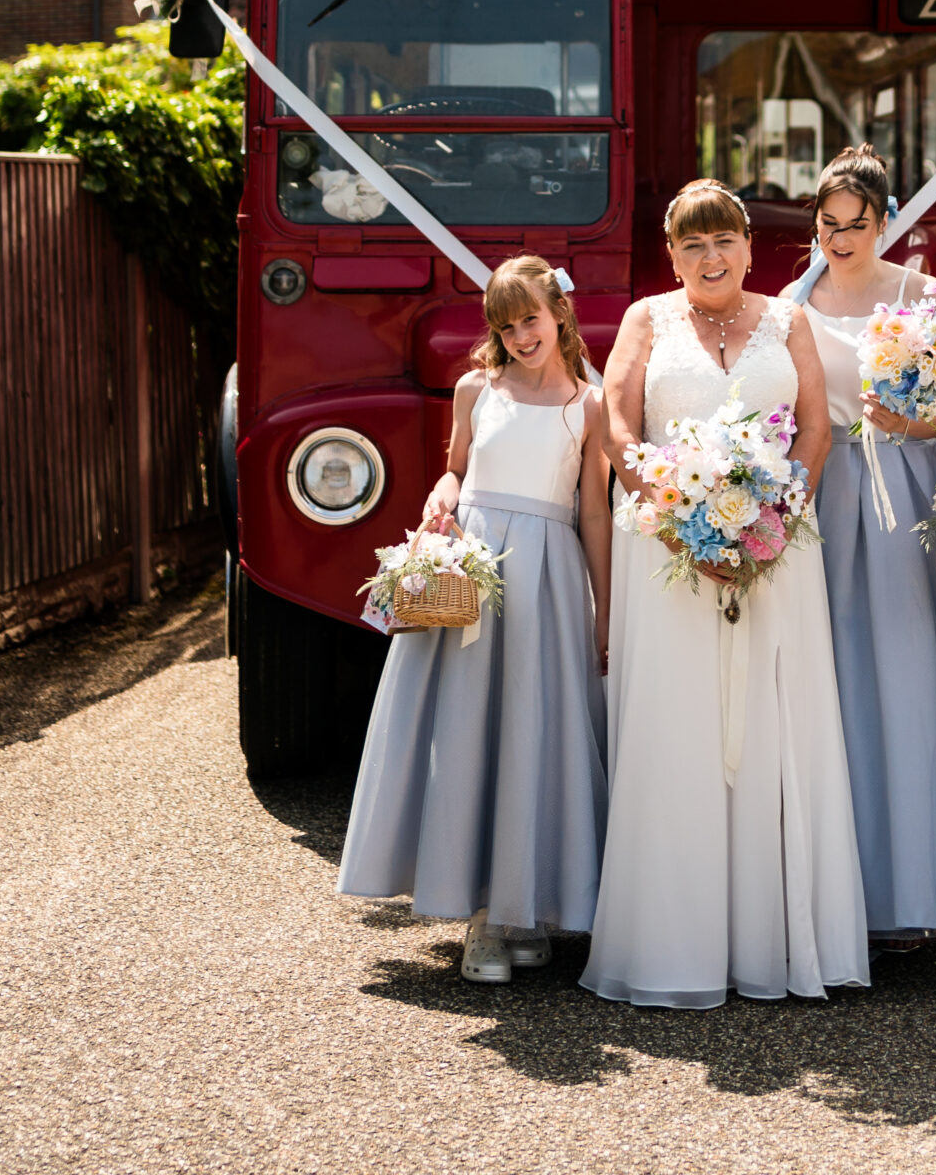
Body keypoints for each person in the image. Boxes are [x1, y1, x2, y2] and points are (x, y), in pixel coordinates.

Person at [581, 181, 869, 1008]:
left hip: (779, 550)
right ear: (670, 255)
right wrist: (676, 521)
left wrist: (775, 520)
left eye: (724, 242)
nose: (710, 259)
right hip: (668, 554)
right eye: (691, 246)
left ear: (749, 244)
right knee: (680, 731)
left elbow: (814, 428)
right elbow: (619, 425)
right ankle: (676, 943)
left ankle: (777, 943)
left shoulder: (789, 320)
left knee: (779, 728)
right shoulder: (646, 320)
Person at [336, 255, 611, 983]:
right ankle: (480, 918)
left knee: (531, 736)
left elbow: (592, 509)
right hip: (477, 579)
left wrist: (603, 606)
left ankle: (520, 909)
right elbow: (455, 469)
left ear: (558, 313)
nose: (521, 336)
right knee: (468, 734)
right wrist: (442, 495)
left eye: (530, 319)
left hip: (549, 578)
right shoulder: (474, 389)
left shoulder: (588, 403)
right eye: (506, 324)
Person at [804, 145, 936, 941]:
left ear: (885, 222)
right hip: (826, 491)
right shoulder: (791, 302)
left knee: (905, 676)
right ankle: (837, 893)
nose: (840, 240)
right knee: (830, 680)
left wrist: (899, 419)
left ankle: (908, 892)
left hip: (904, 488)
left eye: (856, 226)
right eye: (829, 225)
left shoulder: (922, 294)